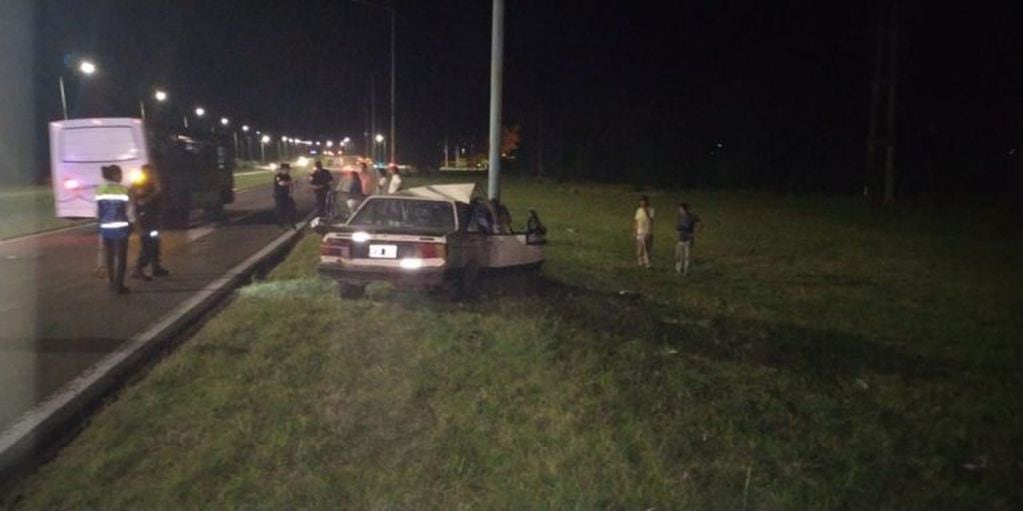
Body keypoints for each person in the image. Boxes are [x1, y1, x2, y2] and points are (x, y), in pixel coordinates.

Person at [96, 165, 132, 294]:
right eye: (120, 173)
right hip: (121, 227)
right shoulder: (123, 189)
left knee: (109, 256)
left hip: (105, 227)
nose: (121, 176)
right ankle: (119, 285)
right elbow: (129, 210)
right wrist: (133, 223)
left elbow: (99, 210)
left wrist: (99, 224)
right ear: (115, 175)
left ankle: (111, 282)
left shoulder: (100, 189)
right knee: (121, 257)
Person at [130, 164, 169, 280]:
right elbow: (141, 202)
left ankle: (156, 267)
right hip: (145, 220)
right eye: (149, 172)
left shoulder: (153, 185)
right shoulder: (139, 185)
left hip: (154, 219)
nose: (152, 175)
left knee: (155, 243)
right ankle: (138, 269)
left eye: (152, 172)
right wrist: (155, 194)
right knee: (147, 245)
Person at [674, 202, 703, 276]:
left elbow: (700, 224)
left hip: (688, 240)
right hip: (680, 239)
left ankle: (686, 271)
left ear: (685, 209)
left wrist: (695, 233)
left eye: (681, 209)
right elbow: (677, 228)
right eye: (680, 209)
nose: (680, 211)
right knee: (679, 255)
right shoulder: (680, 217)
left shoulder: (692, 217)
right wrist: (677, 234)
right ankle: (679, 270)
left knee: (687, 256)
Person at [633, 195, 655, 268]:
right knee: (640, 248)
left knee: (647, 248)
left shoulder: (651, 210)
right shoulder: (638, 210)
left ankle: (647, 263)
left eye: (644, 201)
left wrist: (650, 231)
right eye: (641, 201)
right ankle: (640, 261)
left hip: (647, 231)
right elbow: (636, 221)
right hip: (640, 231)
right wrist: (635, 231)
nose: (642, 203)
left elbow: (651, 220)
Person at [273, 163, 296, 229]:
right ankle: (281, 223)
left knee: (291, 208)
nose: (288, 171)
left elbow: (291, 185)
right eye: (287, 169)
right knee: (280, 210)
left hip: (287, 195)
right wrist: (291, 182)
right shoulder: (278, 176)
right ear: (283, 169)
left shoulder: (288, 176)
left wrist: (291, 192)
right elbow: (281, 183)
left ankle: (291, 222)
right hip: (279, 195)